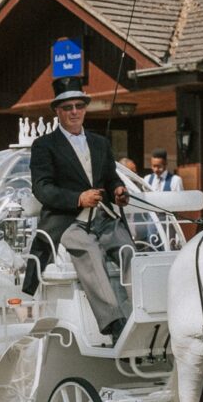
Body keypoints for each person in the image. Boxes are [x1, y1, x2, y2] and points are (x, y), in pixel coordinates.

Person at [28, 80, 134, 338]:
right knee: (88, 250)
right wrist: (78, 198)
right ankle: (115, 324)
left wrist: (118, 191)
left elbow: (110, 179)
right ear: (58, 112)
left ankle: (139, 312)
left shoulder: (100, 143)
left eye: (78, 106)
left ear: (85, 109)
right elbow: (42, 189)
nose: (74, 111)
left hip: (103, 218)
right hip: (66, 222)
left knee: (128, 249)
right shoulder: (45, 146)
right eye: (67, 107)